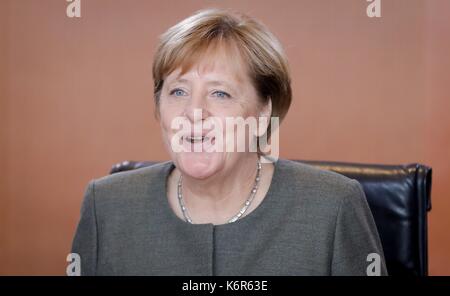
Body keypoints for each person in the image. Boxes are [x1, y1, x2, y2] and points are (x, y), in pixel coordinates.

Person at [71, 8, 387, 276]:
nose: (194, 112)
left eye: (220, 93)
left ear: (264, 113)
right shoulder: (107, 206)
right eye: (178, 91)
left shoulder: (332, 206)